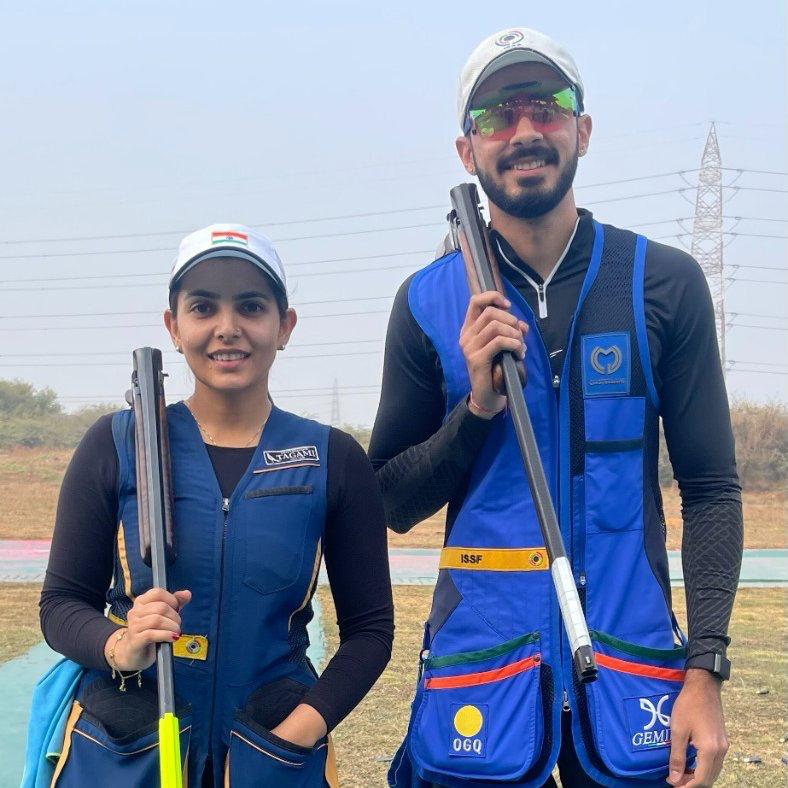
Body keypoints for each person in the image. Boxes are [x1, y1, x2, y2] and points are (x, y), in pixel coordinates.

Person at [370, 28, 742, 788]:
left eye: (546, 106)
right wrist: (476, 409)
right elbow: (392, 500)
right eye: (497, 116)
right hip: (483, 688)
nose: (525, 131)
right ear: (466, 151)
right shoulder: (427, 302)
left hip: (634, 684)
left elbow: (711, 490)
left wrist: (704, 672)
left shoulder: (660, 283)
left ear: (583, 129)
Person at [39, 223, 394, 786]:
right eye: (204, 307)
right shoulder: (116, 442)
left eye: (251, 307)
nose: (227, 329)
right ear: (173, 327)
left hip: (272, 747)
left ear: (285, 326)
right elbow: (60, 605)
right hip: (127, 746)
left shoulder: (334, 457)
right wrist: (119, 644)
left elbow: (371, 631)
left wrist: (295, 734)